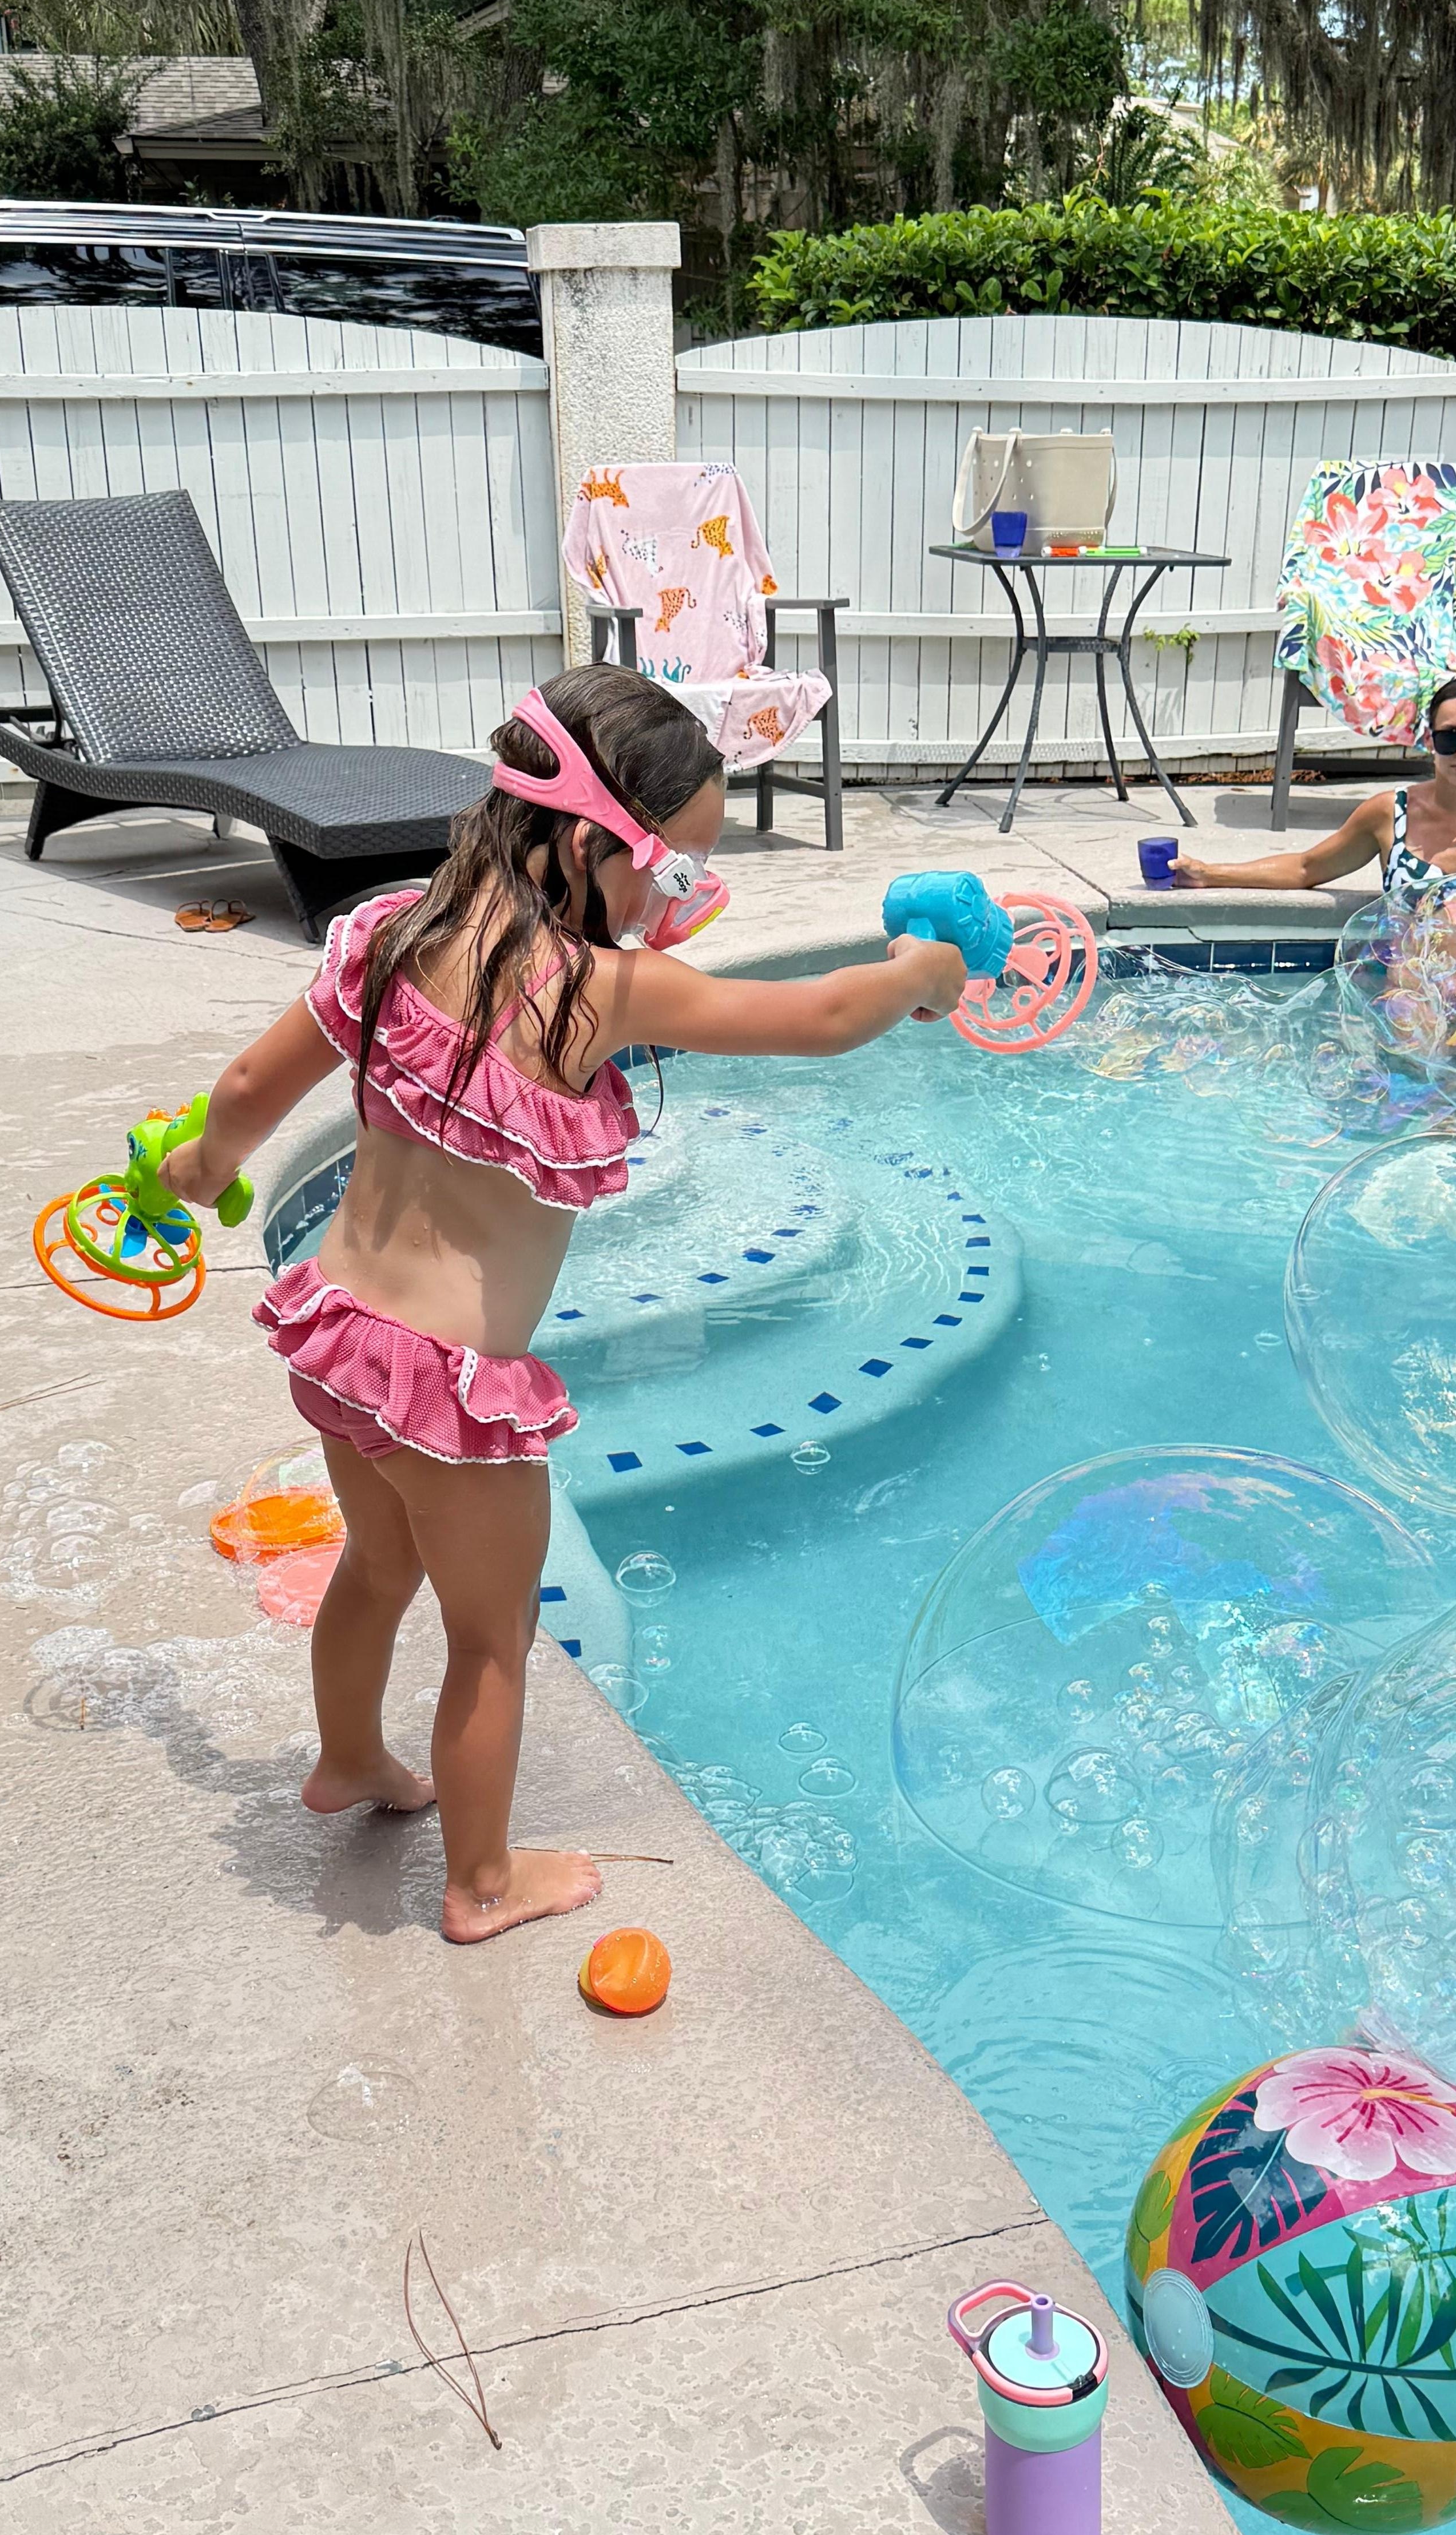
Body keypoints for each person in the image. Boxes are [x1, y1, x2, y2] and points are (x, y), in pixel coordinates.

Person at [158, 665, 970, 1945]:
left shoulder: (394, 934)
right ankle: (482, 1882)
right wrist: (921, 969)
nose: (675, 899)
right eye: (675, 867)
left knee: (376, 1564)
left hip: (338, 1340)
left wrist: (201, 1168)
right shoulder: (597, 989)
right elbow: (818, 1017)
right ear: (591, 843)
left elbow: (256, 1084)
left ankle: (350, 1759)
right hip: (449, 1394)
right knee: (491, 1641)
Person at [1169, 671, 1456, 910]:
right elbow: (1307, 868)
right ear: (1428, 738)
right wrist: (1210, 873)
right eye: (1449, 737)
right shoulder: (1391, 814)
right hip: (1411, 998)